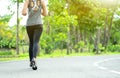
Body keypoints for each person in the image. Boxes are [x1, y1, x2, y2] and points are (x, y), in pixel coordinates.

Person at [22, 0, 47, 70]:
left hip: (29, 25)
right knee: (36, 42)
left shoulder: (28, 1)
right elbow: (45, 14)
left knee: (31, 43)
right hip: (39, 25)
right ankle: (34, 59)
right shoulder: (41, 1)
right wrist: (42, 7)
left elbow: (24, 13)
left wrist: (26, 4)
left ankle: (31, 61)